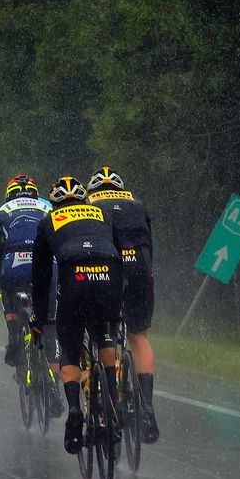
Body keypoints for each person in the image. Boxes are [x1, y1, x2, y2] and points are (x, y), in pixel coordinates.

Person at [31, 176, 125, 454]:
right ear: (84, 199)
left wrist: (39, 316)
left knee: (70, 348)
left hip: (74, 279)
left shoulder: (49, 221)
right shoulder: (102, 213)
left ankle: (74, 411)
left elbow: (42, 274)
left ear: (54, 202)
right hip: (109, 275)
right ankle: (115, 399)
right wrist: (119, 305)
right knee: (104, 333)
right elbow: (118, 252)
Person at [87, 166, 159, 442]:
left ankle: (109, 389)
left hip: (109, 270)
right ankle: (147, 409)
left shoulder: (89, 205)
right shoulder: (137, 204)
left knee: (103, 328)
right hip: (141, 269)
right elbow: (149, 244)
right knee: (138, 336)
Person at [0, 176, 53, 367]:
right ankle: (51, 342)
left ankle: (14, 335)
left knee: (7, 288)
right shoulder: (48, 208)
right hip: (43, 263)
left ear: (10, 193)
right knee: (48, 300)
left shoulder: (2, 211)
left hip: (14, 261)